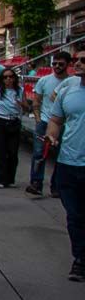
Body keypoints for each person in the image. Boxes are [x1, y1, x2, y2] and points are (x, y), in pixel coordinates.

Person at [45, 50, 85, 281]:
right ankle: (80, 259)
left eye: (83, 60)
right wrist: (52, 135)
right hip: (69, 162)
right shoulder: (67, 91)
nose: (77, 63)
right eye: (76, 60)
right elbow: (55, 120)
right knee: (74, 215)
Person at [27, 51, 70, 197]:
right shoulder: (44, 81)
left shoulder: (71, 82)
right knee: (39, 154)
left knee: (60, 156)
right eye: (54, 64)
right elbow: (36, 101)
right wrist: (38, 119)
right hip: (44, 122)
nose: (57, 66)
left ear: (67, 65)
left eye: (61, 64)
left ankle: (56, 186)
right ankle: (36, 183)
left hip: (63, 125)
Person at [0, 68, 27, 188]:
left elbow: (27, 107)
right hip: (1, 120)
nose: (8, 79)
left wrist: (21, 104)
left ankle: (10, 178)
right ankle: (0, 179)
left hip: (14, 120)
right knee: (0, 151)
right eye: (5, 77)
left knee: (13, 152)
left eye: (11, 77)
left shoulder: (20, 91)